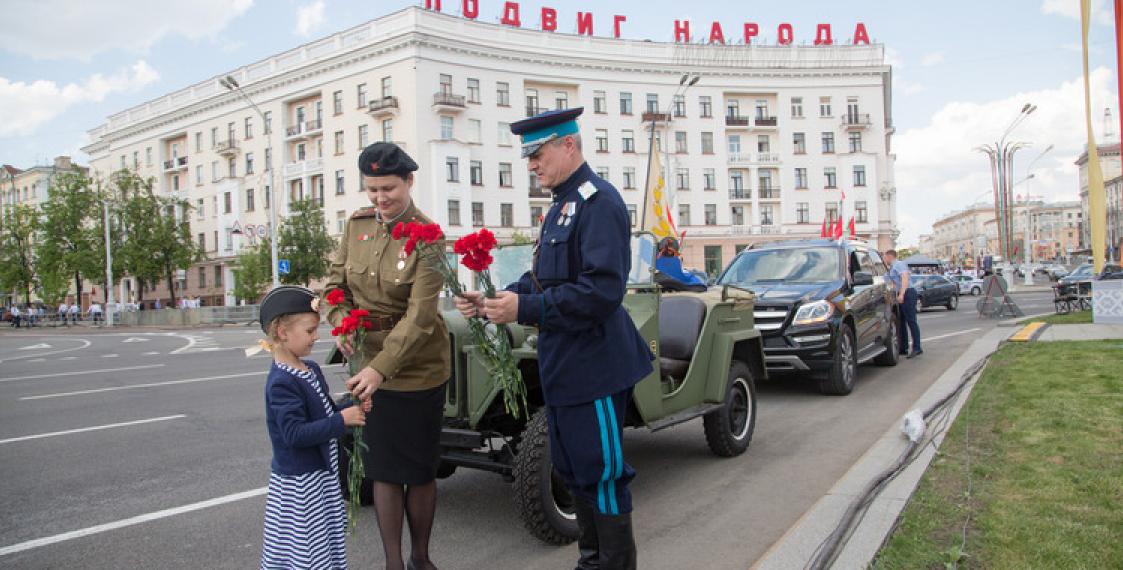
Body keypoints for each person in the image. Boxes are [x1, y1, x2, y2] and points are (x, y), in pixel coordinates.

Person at [456, 108, 653, 570]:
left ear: (569, 145)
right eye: (528, 157)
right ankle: (592, 561)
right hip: (565, 365)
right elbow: (543, 279)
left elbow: (602, 291)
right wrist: (494, 299)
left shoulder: (598, 202)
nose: (531, 165)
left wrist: (526, 309)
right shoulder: (561, 207)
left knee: (602, 475)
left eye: (537, 154)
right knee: (574, 469)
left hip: (596, 366)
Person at [326, 142, 451, 570]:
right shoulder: (356, 227)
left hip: (417, 369)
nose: (380, 199)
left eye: (388, 189)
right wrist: (342, 322)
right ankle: (392, 562)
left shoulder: (430, 237)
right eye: (372, 189)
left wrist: (380, 369)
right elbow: (334, 285)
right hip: (369, 365)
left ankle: (421, 557)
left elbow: (420, 316)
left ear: (409, 182)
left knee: (417, 469)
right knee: (382, 467)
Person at [258, 285, 369, 569]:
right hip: (301, 484)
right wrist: (341, 421)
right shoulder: (282, 382)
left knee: (323, 545)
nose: (316, 337)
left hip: (321, 477)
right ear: (283, 332)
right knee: (305, 550)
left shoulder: (310, 370)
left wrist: (350, 408)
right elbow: (295, 435)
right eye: (309, 331)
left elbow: (325, 415)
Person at [884, 249, 921, 358]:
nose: (884, 259)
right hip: (902, 294)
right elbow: (894, 283)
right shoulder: (891, 268)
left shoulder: (898, 264)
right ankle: (903, 347)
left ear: (890, 256)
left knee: (911, 321)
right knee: (901, 322)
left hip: (907, 293)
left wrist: (902, 294)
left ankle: (917, 348)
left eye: (885, 257)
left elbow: (904, 278)